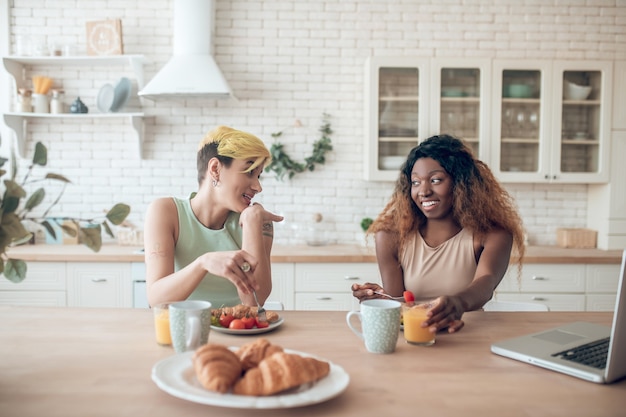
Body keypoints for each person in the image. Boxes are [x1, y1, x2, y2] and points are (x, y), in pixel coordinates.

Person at [352, 134, 525, 334]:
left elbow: (486, 282)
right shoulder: (390, 236)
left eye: (435, 180)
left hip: (470, 339)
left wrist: (458, 303)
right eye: (416, 182)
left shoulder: (492, 234)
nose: (423, 191)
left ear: (461, 183)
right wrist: (384, 300)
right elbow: (400, 307)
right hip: (415, 338)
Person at [144, 126, 283, 308]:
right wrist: (203, 263)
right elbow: (156, 300)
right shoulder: (165, 211)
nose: (258, 187)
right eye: (250, 173)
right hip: (184, 329)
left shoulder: (257, 220)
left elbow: (254, 301)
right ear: (215, 168)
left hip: (236, 329)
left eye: (258, 176)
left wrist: (251, 225)